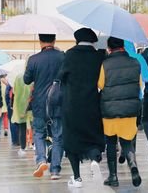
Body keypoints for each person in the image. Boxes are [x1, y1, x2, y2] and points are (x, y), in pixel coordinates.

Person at [60, 28, 105, 188]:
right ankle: (94, 159)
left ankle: (77, 178)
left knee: (72, 140)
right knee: (93, 135)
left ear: (77, 40)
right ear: (93, 40)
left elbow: (61, 76)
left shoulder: (69, 55)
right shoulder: (100, 55)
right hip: (93, 103)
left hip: (72, 105)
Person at [98, 37, 142, 188]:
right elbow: (140, 84)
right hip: (130, 110)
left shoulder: (105, 63)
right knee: (126, 141)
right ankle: (133, 165)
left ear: (109, 48)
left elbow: (100, 84)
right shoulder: (135, 62)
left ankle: (113, 176)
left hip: (110, 110)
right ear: (123, 46)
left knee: (110, 143)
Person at [24, 34, 65, 179]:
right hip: (58, 102)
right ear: (54, 40)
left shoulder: (33, 59)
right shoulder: (62, 57)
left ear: (40, 41)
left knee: (39, 134)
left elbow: (26, 80)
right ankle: (55, 170)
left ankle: (41, 160)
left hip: (39, 104)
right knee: (58, 136)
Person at [12, 72, 33, 156]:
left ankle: (23, 148)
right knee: (33, 126)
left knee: (22, 127)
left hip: (20, 105)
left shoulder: (18, 77)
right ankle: (32, 144)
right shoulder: (33, 77)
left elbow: (14, 91)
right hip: (31, 104)